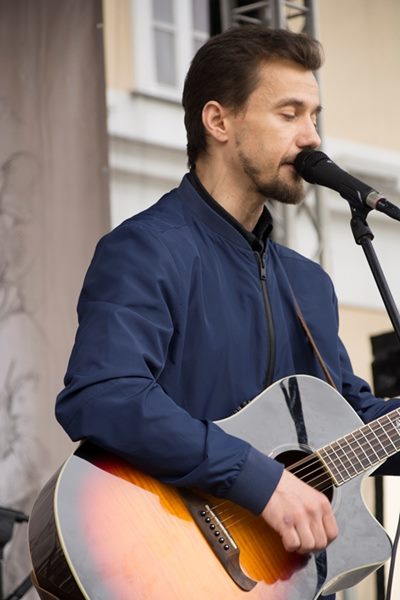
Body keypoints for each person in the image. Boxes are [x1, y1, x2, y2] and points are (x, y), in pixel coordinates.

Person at [56, 25, 400, 598]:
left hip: (279, 579)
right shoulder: (148, 249)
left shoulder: (309, 283)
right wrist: (260, 481)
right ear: (218, 121)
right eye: (289, 114)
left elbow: (352, 419)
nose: (312, 137)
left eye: (314, 115)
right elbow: (103, 394)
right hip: (166, 559)